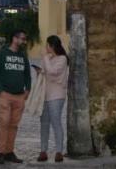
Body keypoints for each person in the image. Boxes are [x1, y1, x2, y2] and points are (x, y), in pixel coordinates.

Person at [0, 29, 33, 164]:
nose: (23, 41)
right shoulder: (2, 54)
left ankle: (9, 152)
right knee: (4, 122)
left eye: (24, 39)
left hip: (19, 96)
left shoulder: (22, 56)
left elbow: (27, 73)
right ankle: (1, 152)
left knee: (14, 124)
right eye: (21, 38)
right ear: (14, 39)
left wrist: (28, 89)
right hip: (5, 95)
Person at [36, 35, 68, 163]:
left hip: (57, 95)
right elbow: (45, 72)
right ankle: (43, 151)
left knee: (56, 123)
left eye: (47, 45)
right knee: (44, 124)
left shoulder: (62, 59)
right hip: (45, 94)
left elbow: (53, 72)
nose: (46, 47)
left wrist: (45, 59)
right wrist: (39, 71)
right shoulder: (48, 58)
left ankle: (59, 151)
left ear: (52, 46)